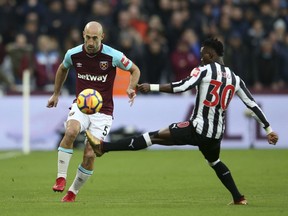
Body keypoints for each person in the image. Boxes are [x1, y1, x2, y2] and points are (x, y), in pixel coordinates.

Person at [85, 38, 279, 205]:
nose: (200, 58)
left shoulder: (203, 70)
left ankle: (104, 147)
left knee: (153, 136)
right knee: (214, 161)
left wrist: (150, 87)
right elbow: (252, 104)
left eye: (203, 55)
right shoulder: (236, 79)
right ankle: (238, 198)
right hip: (216, 133)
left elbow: (181, 87)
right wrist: (268, 129)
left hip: (197, 128)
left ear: (211, 55)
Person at [47, 21, 140, 202]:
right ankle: (60, 178)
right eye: (88, 37)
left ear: (102, 37)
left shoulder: (113, 55)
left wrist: (131, 87)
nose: (91, 42)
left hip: (103, 112)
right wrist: (56, 94)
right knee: (71, 131)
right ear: (83, 34)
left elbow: (135, 70)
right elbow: (62, 68)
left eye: (95, 38)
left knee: (90, 154)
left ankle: (72, 192)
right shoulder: (73, 54)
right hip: (81, 106)